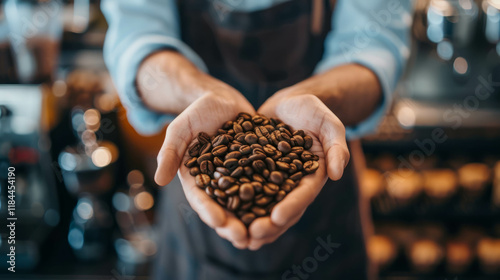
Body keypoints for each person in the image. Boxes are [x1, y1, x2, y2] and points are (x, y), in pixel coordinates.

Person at [102, 0, 411, 279]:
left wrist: (317, 98)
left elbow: (375, 46)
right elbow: (135, 40)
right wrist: (199, 93)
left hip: (328, 197)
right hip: (193, 213)